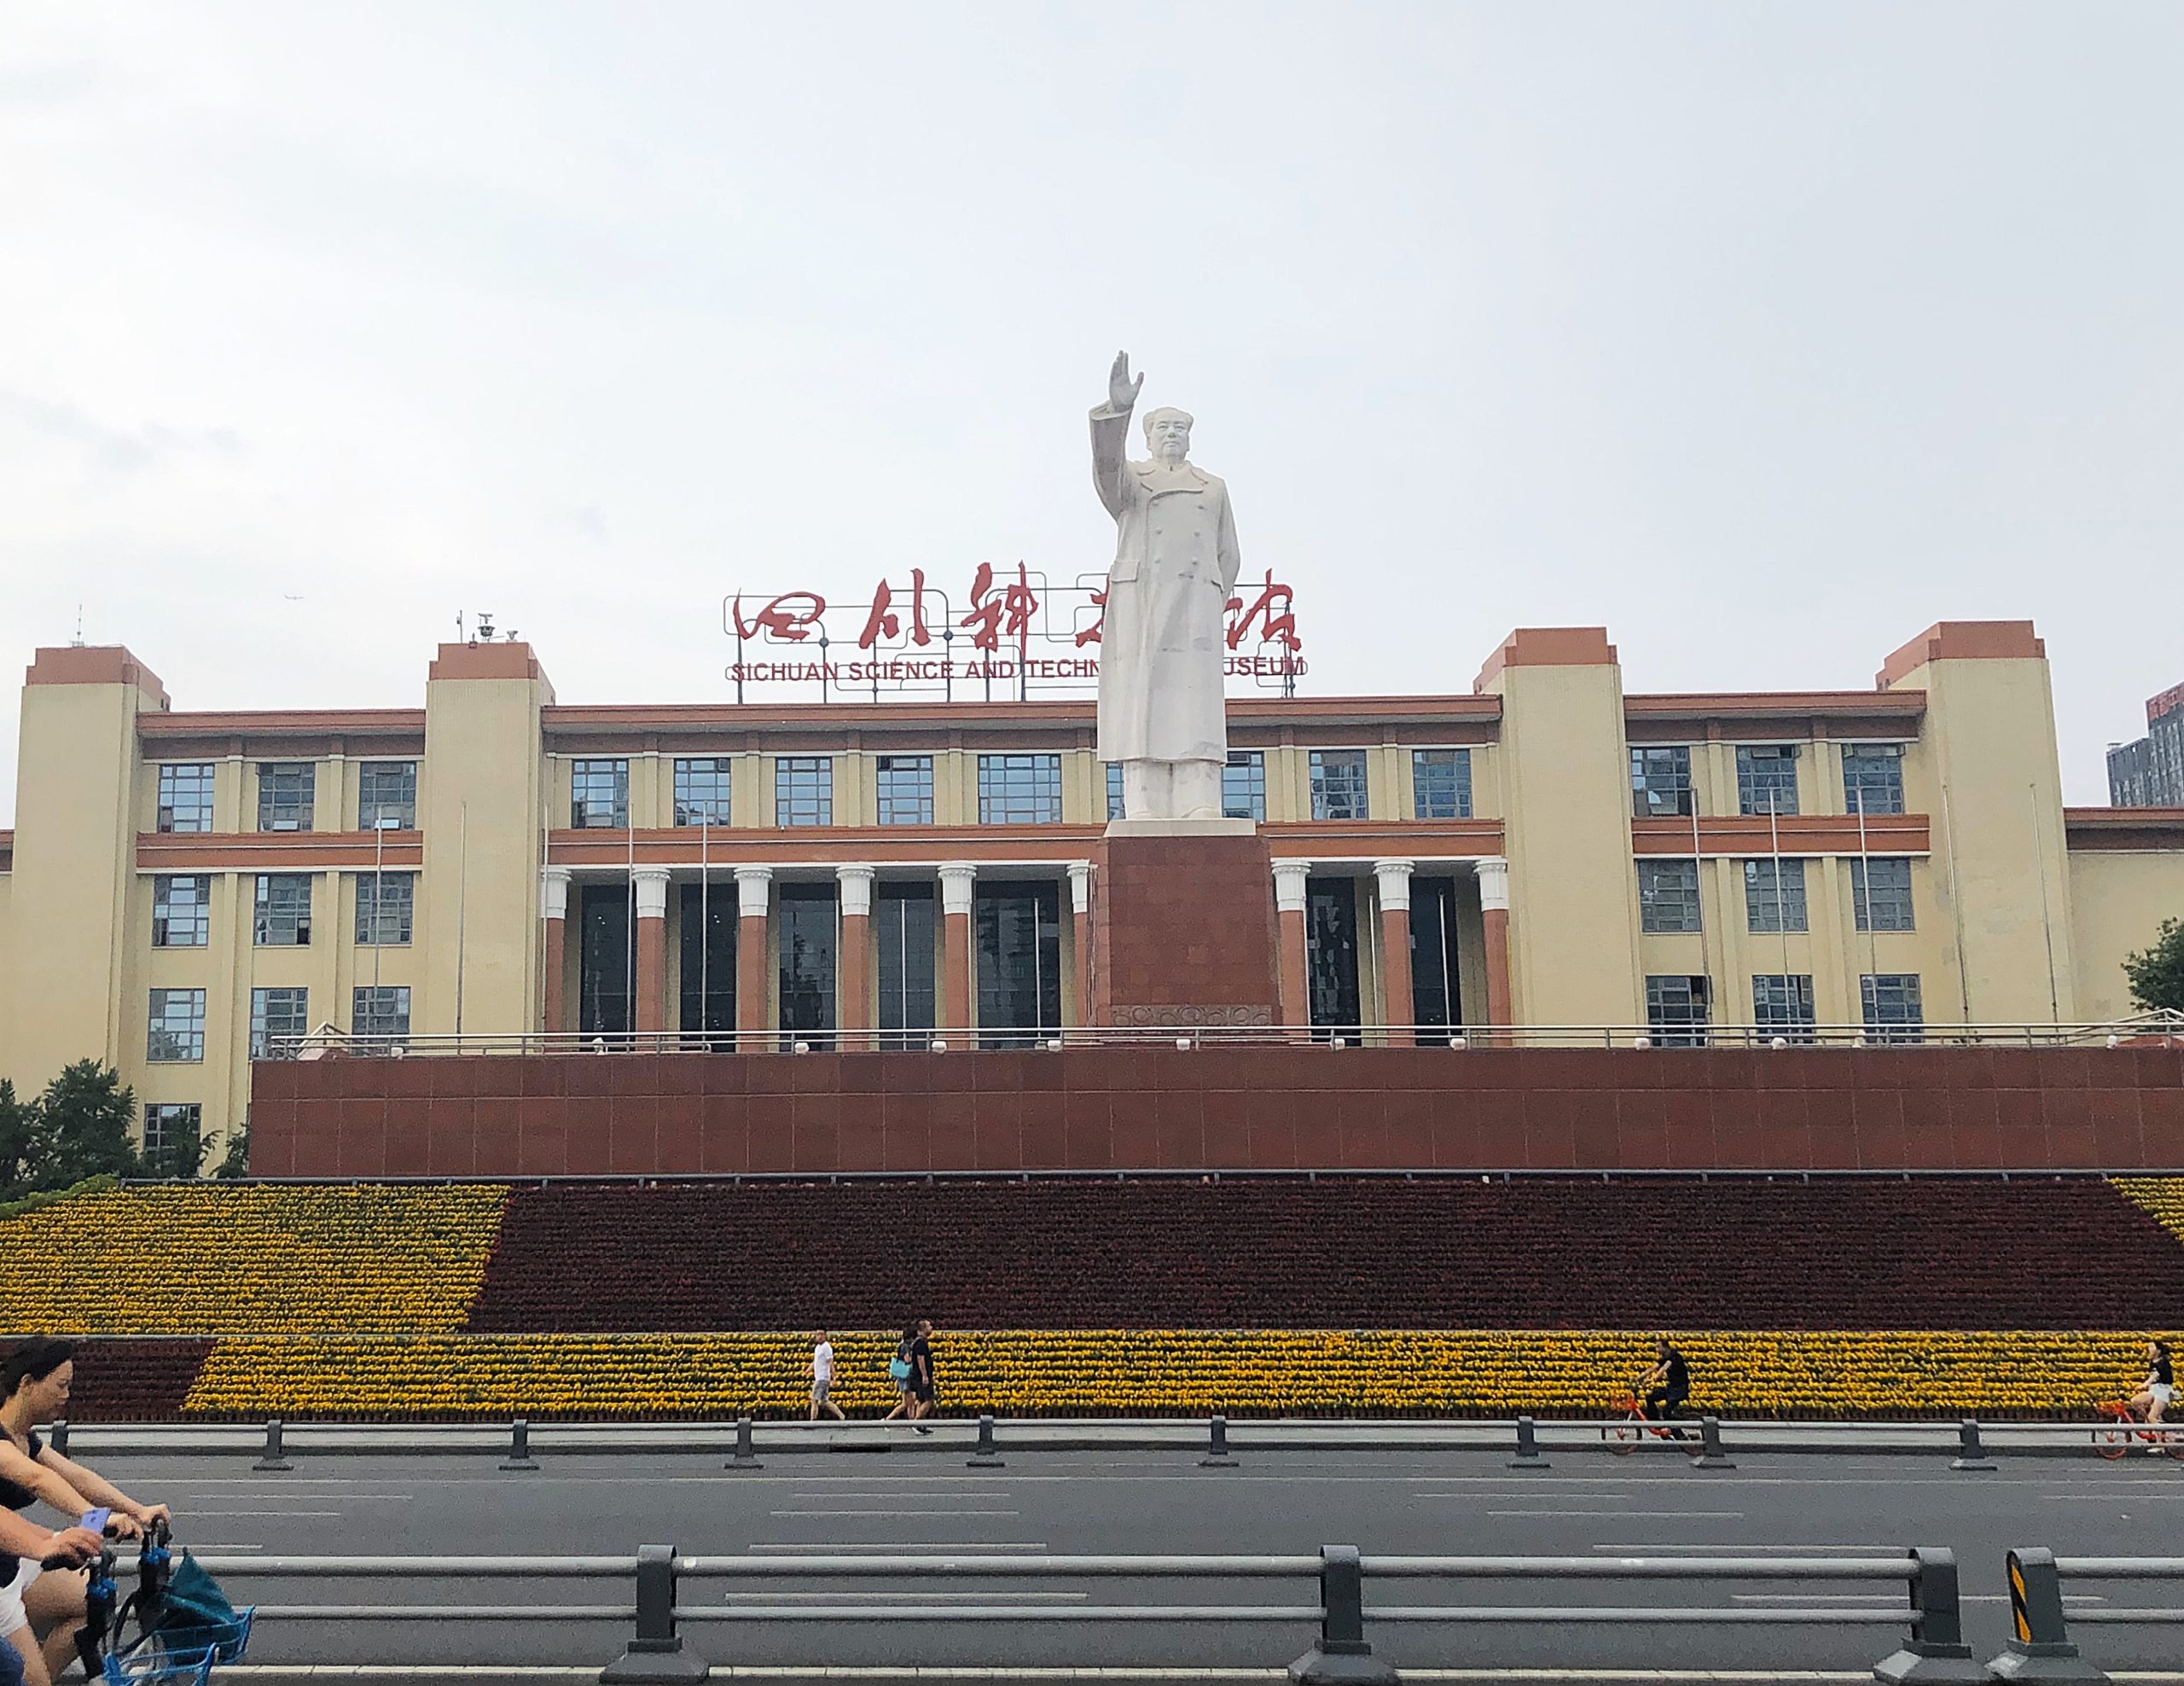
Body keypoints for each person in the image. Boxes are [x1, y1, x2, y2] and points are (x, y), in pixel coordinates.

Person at [1, 1340, 172, 1686]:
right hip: (2, 1574)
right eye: (61, 1385)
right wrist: (99, 1518)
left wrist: (137, 1510)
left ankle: (38, 1676)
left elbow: (76, 1476)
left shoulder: (24, 1438)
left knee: (89, 1604)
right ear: (27, 1384)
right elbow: (37, 1480)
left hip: (16, 1554)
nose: (67, 1395)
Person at [0, 1514, 102, 1686]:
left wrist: (51, 1539)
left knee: (93, 1600)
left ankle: (41, 1676)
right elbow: (38, 1485)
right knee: (15, 1668)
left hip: (12, 1555)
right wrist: (42, 1547)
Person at [2129, 1339, 2174, 1445]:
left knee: (2152, 1416)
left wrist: (2145, 1384)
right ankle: (2151, 1423)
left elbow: (2155, 1375)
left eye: (2152, 1347)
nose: (2149, 1349)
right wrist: (2147, 1387)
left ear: (2158, 1351)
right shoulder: (2152, 1362)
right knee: (2135, 1401)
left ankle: (2160, 1444)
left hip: (2163, 1390)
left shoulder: (2163, 1361)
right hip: (2154, 1390)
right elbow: (2152, 1378)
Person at [1640, 1336, 1691, 1424]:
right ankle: (1654, 1421)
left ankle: (1686, 1427)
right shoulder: (1665, 1357)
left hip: (1679, 1390)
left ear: (1665, 1347)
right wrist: (1640, 1377)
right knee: (1650, 1397)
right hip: (1671, 1389)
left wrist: (1654, 1378)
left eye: (1658, 1347)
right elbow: (1653, 1367)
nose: (1657, 1349)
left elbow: (1663, 1368)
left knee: (1666, 1413)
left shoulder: (1674, 1357)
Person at [882, 1324, 919, 1423]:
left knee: (909, 1403)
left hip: (904, 1378)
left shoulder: (902, 1345)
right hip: (905, 1378)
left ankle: (913, 1422)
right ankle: (887, 1420)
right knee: (907, 1403)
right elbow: (907, 1360)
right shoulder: (905, 1346)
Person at [907, 1319, 938, 1435]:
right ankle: (915, 1423)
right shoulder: (920, 1343)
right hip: (921, 1377)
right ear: (923, 1329)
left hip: (918, 1376)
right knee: (929, 1400)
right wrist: (925, 1375)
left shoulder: (919, 1342)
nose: (931, 1328)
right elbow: (921, 1359)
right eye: (929, 1326)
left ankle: (919, 1426)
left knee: (921, 1400)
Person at [809, 1331, 845, 1423]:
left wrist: (834, 1377)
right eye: (817, 1335)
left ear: (825, 1336)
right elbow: (815, 1362)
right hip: (819, 1377)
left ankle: (813, 1420)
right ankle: (841, 1415)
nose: (819, 1337)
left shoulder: (826, 1347)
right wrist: (807, 1371)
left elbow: (830, 1362)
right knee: (824, 1401)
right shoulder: (818, 1348)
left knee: (814, 1399)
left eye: (821, 1334)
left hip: (822, 1377)